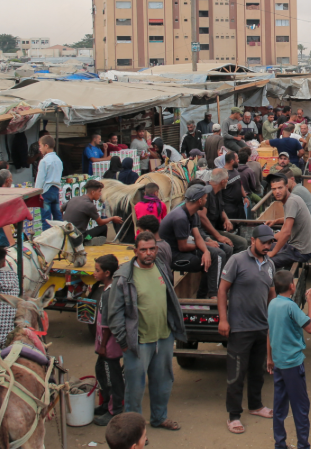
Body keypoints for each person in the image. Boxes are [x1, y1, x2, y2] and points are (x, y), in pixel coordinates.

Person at [105, 231, 185, 431]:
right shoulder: (124, 276)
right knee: (135, 389)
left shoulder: (161, 267)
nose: (148, 253)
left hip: (164, 337)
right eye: (143, 250)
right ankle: (134, 430)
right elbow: (114, 314)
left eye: (151, 249)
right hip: (138, 342)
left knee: (163, 382)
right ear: (135, 251)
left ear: (156, 249)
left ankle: (159, 418)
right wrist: (124, 342)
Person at [217, 224, 277, 435]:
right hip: (240, 328)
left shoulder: (270, 264)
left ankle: (256, 405)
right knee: (236, 374)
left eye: (270, 243)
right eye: (264, 242)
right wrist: (223, 320)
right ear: (253, 241)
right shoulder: (237, 260)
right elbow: (222, 290)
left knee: (257, 371)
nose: (267, 246)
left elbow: (271, 293)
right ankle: (234, 415)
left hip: (261, 326)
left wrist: (273, 318)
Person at [266, 271, 311, 449]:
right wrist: (310, 302)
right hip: (292, 363)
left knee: (279, 406)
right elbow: (310, 327)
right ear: (292, 286)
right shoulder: (290, 306)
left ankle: (280, 447)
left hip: (279, 362)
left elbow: (269, 331)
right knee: (300, 407)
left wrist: (269, 357)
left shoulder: (272, 304)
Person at [160, 184, 226, 299]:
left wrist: (206, 251)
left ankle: (204, 295)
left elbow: (197, 236)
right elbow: (183, 247)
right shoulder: (180, 217)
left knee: (220, 251)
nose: (206, 200)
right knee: (213, 259)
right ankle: (213, 296)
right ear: (200, 201)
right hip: (173, 256)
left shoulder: (192, 213)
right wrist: (204, 249)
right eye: (205, 198)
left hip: (184, 250)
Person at [93, 254, 125, 427]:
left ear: (107, 273)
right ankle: (106, 404)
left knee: (112, 378)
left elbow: (108, 324)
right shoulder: (107, 290)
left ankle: (115, 410)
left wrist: (103, 345)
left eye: (97, 270)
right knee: (101, 372)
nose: (94, 273)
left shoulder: (109, 294)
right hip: (104, 345)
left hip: (109, 346)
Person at [264, 174, 311, 272]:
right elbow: (290, 218)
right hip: (295, 247)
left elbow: (286, 233)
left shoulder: (291, 201)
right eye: (274, 189)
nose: (277, 192)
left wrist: (273, 253)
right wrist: (275, 221)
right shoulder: (291, 199)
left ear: (287, 186)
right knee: (263, 247)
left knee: (267, 262)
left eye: (280, 188)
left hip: (300, 251)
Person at [64, 180, 118, 244]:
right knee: (104, 227)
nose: (100, 194)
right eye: (99, 191)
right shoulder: (89, 205)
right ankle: (89, 242)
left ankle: (89, 240)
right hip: (79, 237)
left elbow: (61, 209)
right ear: (93, 192)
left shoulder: (74, 199)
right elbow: (100, 223)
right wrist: (112, 218)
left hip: (66, 234)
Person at [36, 135, 64, 223]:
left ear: (46, 146)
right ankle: (61, 231)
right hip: (56, 190)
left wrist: (36, 192)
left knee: (46, 220)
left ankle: (48, 232)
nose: (39, 149)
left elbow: (40, 179)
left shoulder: (44, 161)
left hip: (46, 191)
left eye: (40, 146)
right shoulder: (58, 160)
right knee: (58, 217)